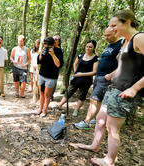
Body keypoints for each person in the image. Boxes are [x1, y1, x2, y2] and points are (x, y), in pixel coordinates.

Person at [70, 10, 144, 166]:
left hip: (125, 92)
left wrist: (134, 89)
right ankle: (94, 146)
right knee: (100, 120)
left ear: (127, 22)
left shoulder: (139, 38)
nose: (111, 29)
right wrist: (110, 75)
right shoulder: (125, 41)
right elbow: (124, 66)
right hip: (113, 88)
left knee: (112, 128)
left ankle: (109, 160)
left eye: (114, 25)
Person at [74, 28, 122, 129]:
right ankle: (96, 119)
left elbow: (123, 64)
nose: (106, 38)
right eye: (105, 35)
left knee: (93, 99)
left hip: (106, 78)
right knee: (98, 100)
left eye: (108, 35)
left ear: (116, 33)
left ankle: (86, 122)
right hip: (99, 77)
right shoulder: (109, 45)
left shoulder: (121, 45)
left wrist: (111, 75)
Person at [58, 40, 99, 117]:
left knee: (82, 95)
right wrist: (76, 72)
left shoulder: (95, 58)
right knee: (69, 91)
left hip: (86, 80)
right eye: (87, 46)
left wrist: (82, 74)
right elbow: (75, 63)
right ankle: (59, 105)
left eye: (90, 47)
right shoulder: (80, 55)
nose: (88, 48)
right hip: (76, 78)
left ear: (94, 48)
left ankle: (76, 110)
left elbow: (94, 72)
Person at [36, 37, 63, 117]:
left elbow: (59, 64)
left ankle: (45, 110)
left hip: (51, 77)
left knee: (47, 95)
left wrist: (53, 54)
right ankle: (40, 109)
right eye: (45, 44)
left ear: (53, 44)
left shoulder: (58, 51)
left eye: (49, 45)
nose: (47, 46)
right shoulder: (44, 49)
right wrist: (41, 53)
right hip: (42, 75)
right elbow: (39, 61)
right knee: (41, 93)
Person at [50, 35, 64, 100]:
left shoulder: (60, 50)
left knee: (53, 82)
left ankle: (51, 96)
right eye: (54, 39)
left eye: (56, 39)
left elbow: (61, 62)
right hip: (48, 68)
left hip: (55, 69)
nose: (55, 41)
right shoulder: (50, 47)